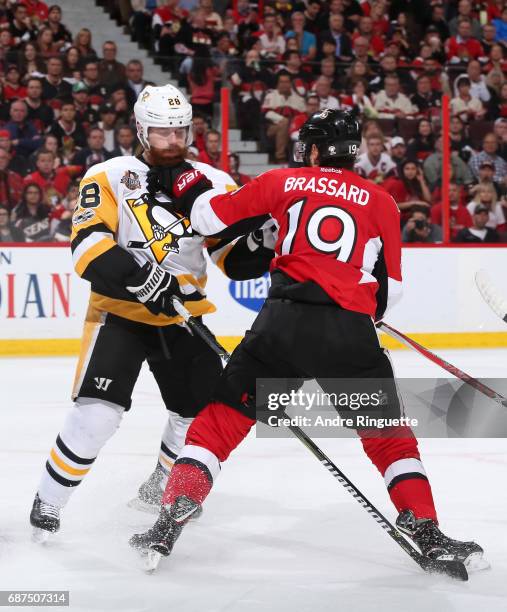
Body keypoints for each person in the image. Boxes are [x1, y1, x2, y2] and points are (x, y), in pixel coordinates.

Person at [129, 109, 485, 572]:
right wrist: (365, 312)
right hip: (349, 335)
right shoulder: (383, 201)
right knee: (390, 440)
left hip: (283, 325)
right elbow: (391, 290)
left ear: (315, 149)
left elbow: (207, 216)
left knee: (221, 422)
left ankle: (170, 518)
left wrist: (177, 173)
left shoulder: (286, 181)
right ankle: (427, 530)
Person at [29, 84, 276, 538]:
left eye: (180, 131)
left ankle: (159, 487)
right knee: (97, 414)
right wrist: (137, 275)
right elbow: (87, 245)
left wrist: (261, 245)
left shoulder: (214, 183)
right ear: (142, 130)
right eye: (162, 133)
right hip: (119, 313)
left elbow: (230, 259)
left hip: (182, 317)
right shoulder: (108, 174)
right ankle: (49, 501)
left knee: (195, 418)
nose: (173, 141)